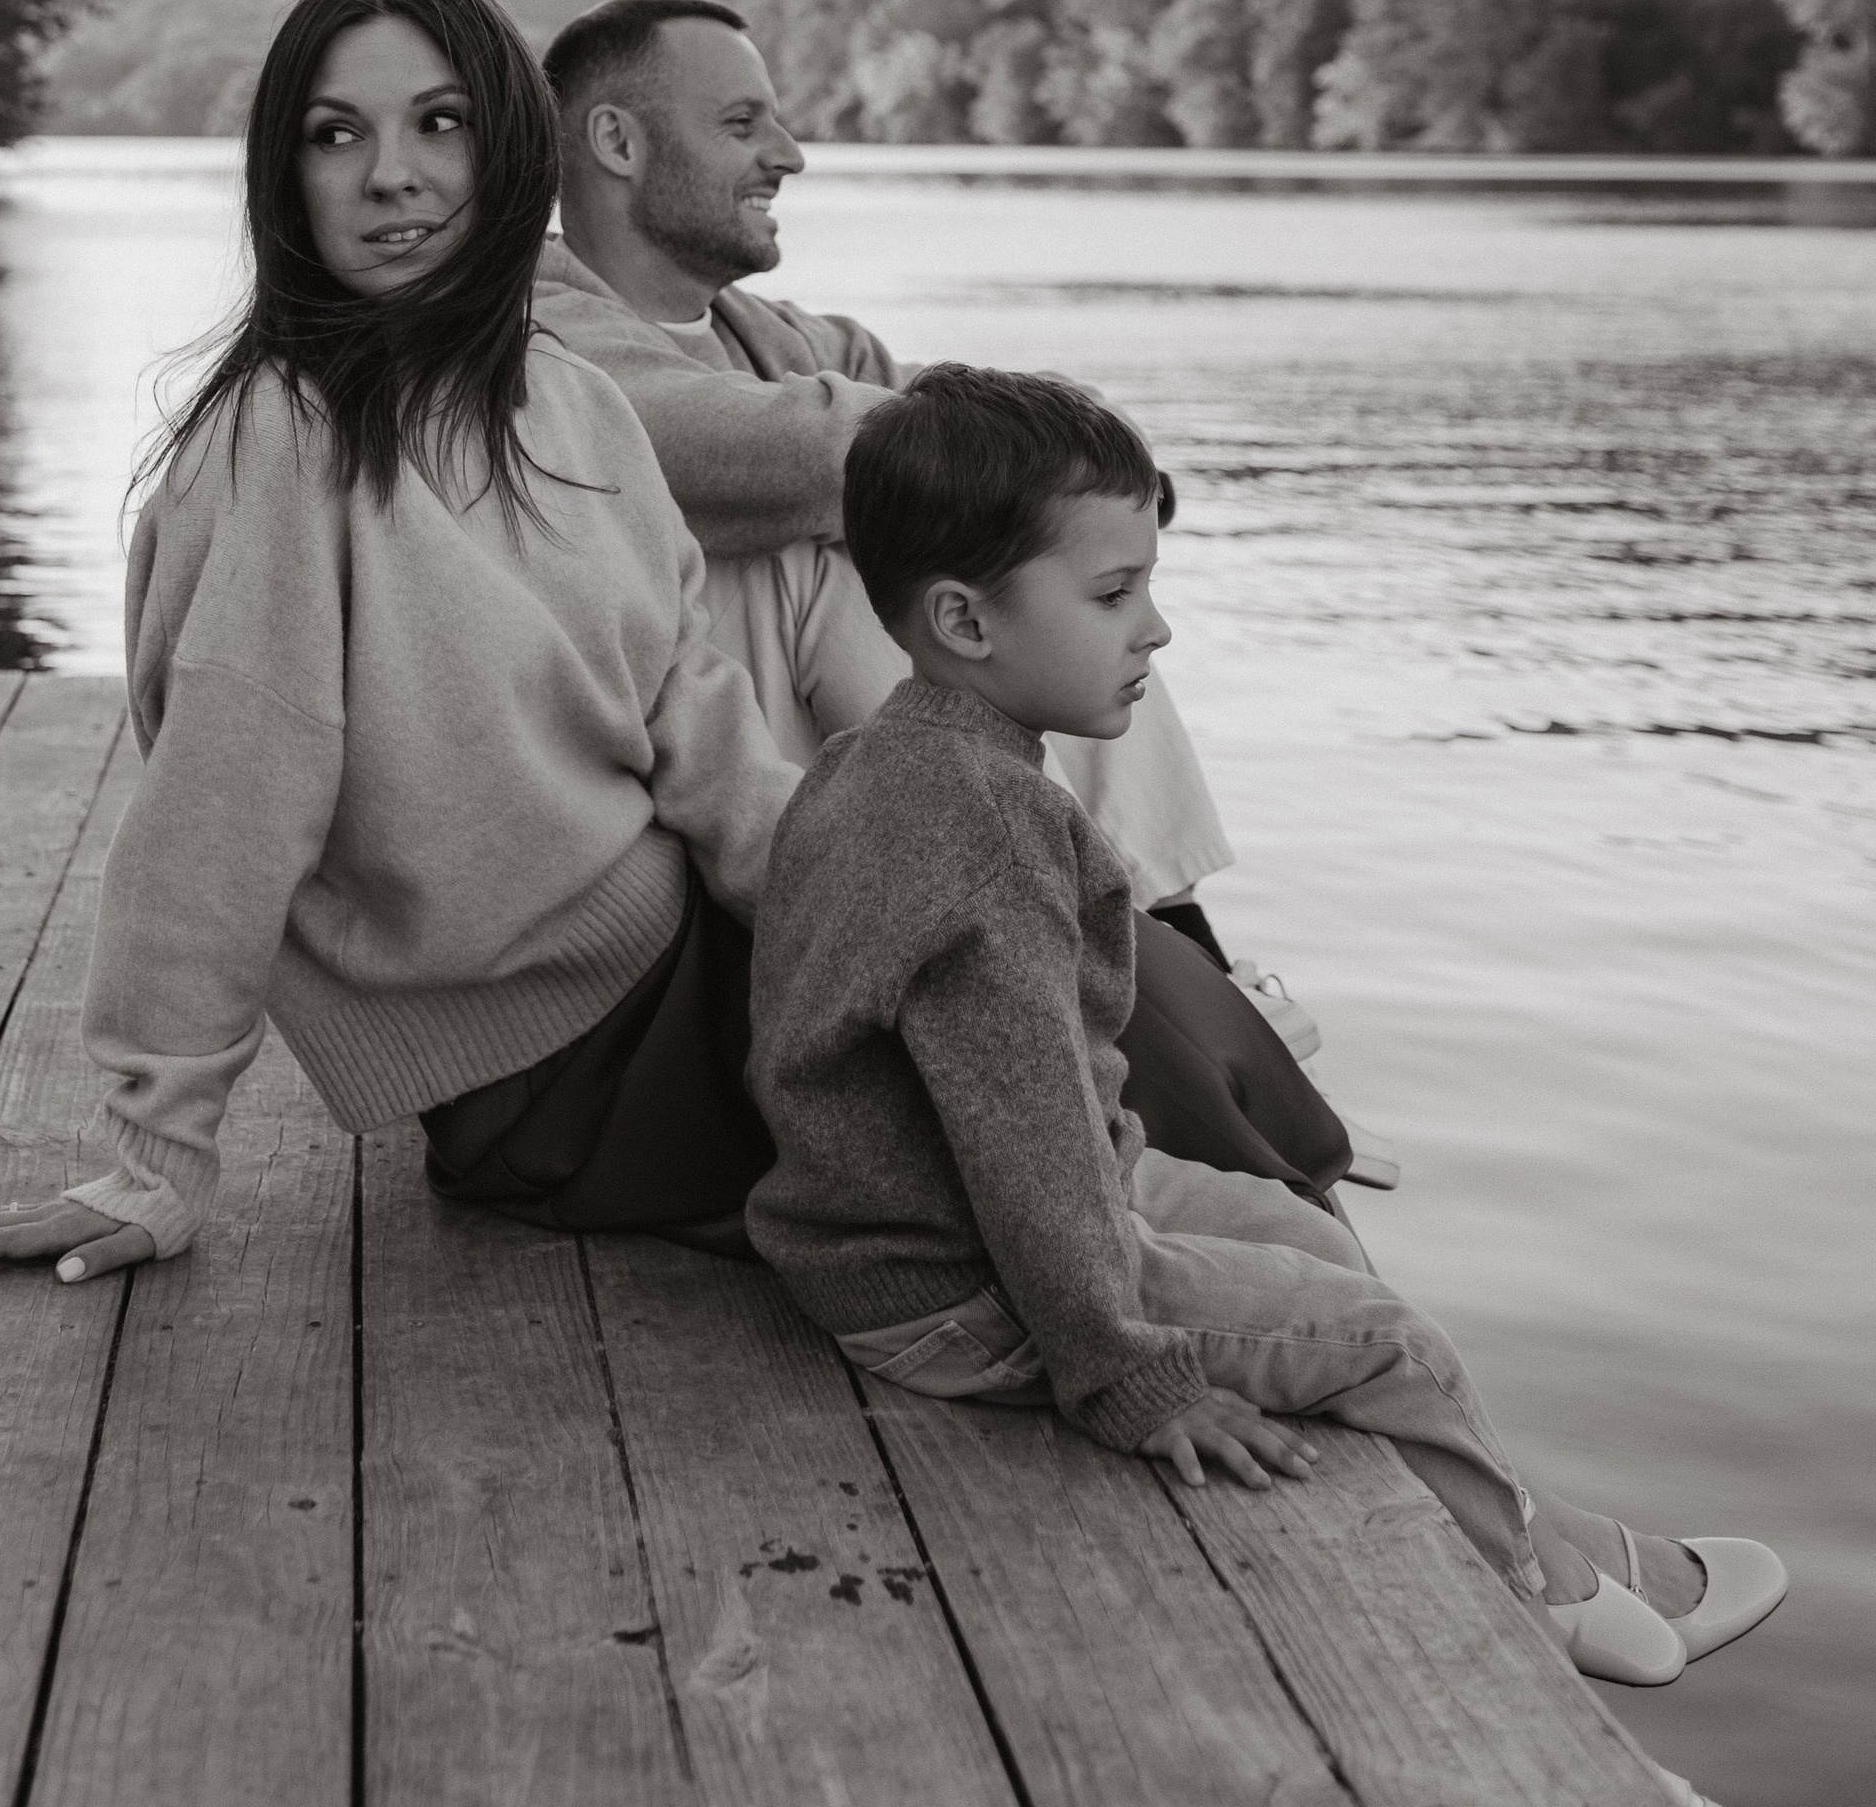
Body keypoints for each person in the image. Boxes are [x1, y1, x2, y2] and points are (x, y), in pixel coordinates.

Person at [744, 363, 1789, 1704]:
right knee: (1377, 1336)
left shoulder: (885, 762)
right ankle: (1547, 1595)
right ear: (964, 619)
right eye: (1114, 595)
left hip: (943, 1218)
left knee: (1300, 1229)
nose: (1158, 629)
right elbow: (1024, 1145)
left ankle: (1539, 1528)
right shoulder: (984, 835)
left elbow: (1031, 1123)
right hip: (957, 1282)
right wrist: (1128, 1377)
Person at [0, 0, 801, 1290]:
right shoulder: (282, 440)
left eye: (440, 123)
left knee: (1048, 943)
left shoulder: (567, 399)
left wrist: (838, 890)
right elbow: (221, 805)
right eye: (339, 133)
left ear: (507, 154)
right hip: (564, 1072)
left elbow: (696, 713)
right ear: (286, 174)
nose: (393, 174)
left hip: (692, 959)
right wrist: (159, 1155)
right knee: (1044, 1130)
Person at [532, 0, 1235, 921]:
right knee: (895, 522)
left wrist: (1071, 473)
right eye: (744, 124)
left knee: (1054, 562)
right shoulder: (536, 345)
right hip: (695, 785)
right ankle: (1066, 930)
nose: (789, 154)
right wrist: (1041, 469)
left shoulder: (778, 336)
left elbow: (987, 411)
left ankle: (1162, 931)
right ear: (617, 144)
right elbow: (812, 451)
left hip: (844, 759)